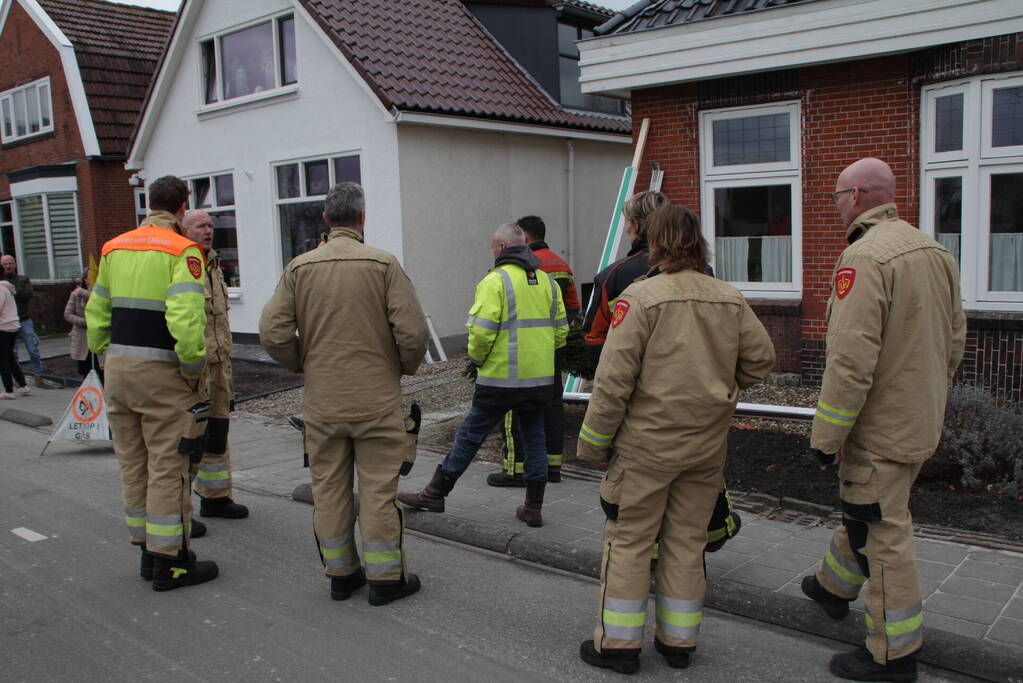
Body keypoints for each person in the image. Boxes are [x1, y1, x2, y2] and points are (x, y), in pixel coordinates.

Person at [575, 204, 775, 675]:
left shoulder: (642, 298)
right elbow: (760, 360)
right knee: (687, 542)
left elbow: (612, 381)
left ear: (655, 243)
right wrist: (724, 382)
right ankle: (678, 643)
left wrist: (592, 444)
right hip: (705, 449)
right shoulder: (728, 297)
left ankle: (619, 646)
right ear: (698, 241)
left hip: (646, 448)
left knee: (629, 542)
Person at [801, 158, 965, 681]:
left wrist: (827, 437)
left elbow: (850, 361)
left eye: (836, 196)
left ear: (860, 195)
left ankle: (893, 653)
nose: (836, 206)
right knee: (874, 509)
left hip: (879, 428)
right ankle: (832, 586)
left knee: (882, 528)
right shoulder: (934, 251)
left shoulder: (863, 258)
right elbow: (955, 339)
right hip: (918, 417)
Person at [259, 183, 428, 606]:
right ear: (362, 218)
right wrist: (402, 367)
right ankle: (386, 579)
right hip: (375, 401)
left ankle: (341, 574)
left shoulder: (299, 268)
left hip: (324, 403)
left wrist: (303, 362)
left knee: (329, 488)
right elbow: (412, 333)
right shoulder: (384, 264)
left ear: (325, 220)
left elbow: (272, 332)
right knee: (377, 489)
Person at [86, 175, 218, 591]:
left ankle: (146, 552)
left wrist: (107, 356)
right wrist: (193, 368)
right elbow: (186, 319)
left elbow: (97, 312)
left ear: (150, 203)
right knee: (168, 465)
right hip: (162, 376)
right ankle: (171, 563)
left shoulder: (114, 247)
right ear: (182, 208)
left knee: (133, 463)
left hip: (120, 372)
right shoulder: (184, 251)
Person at [399, 223, 568, 527]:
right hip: (540, 382)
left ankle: (434, 493)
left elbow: (480, 334)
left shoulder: (495, 281)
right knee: (534, 439)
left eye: (492, 247)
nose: (491, 253)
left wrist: (477, 361)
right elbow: (561, 333)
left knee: (469, 436)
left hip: (500, 381)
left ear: (502, 248)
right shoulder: (547, 282)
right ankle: (533, 508)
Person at [487, 214, 580, 487]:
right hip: (553, 348)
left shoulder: (518, 268)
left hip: (523, 351)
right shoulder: (561, 264)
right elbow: (572, 305)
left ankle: (516, 468)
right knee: (551, 406)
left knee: (516, 408)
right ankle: (552, 467)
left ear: (524, 238)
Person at [181, 209, 249, 520]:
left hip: (220, 366)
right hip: (195, 370)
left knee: (217, 434)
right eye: (200, 226)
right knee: (190, 439)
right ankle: (179, 510)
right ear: (185, 231)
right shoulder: (181, 265)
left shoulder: (213, 265)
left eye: (210, 225)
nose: (208, 231)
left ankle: (216, 497)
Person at [0, 254, 45, 386]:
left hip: (24, 319)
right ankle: (18, 379)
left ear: (15, 264)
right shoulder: (2, 284)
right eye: (5, 264)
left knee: (32, 349)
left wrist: (12, 292)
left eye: (10, 263)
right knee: (12, 353)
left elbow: (28, 294)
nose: (8, 266)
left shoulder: (22, 279)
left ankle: (38, 375)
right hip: (8, 323)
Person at [64, 267, 102, 382]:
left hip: (99, 339)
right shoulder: (76, 295)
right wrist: (85, 322)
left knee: (101, 372)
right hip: (82, 339)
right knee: (86, 372)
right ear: (85, 279)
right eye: (90, 277)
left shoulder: (102, 295)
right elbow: (68, 314)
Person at [0, 274, 31, 399]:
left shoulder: (0, 288)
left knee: (3, 360)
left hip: (3, 327)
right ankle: (23, 386)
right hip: (12, 325)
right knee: (10, 357)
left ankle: (9, 391)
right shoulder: (6, 287)